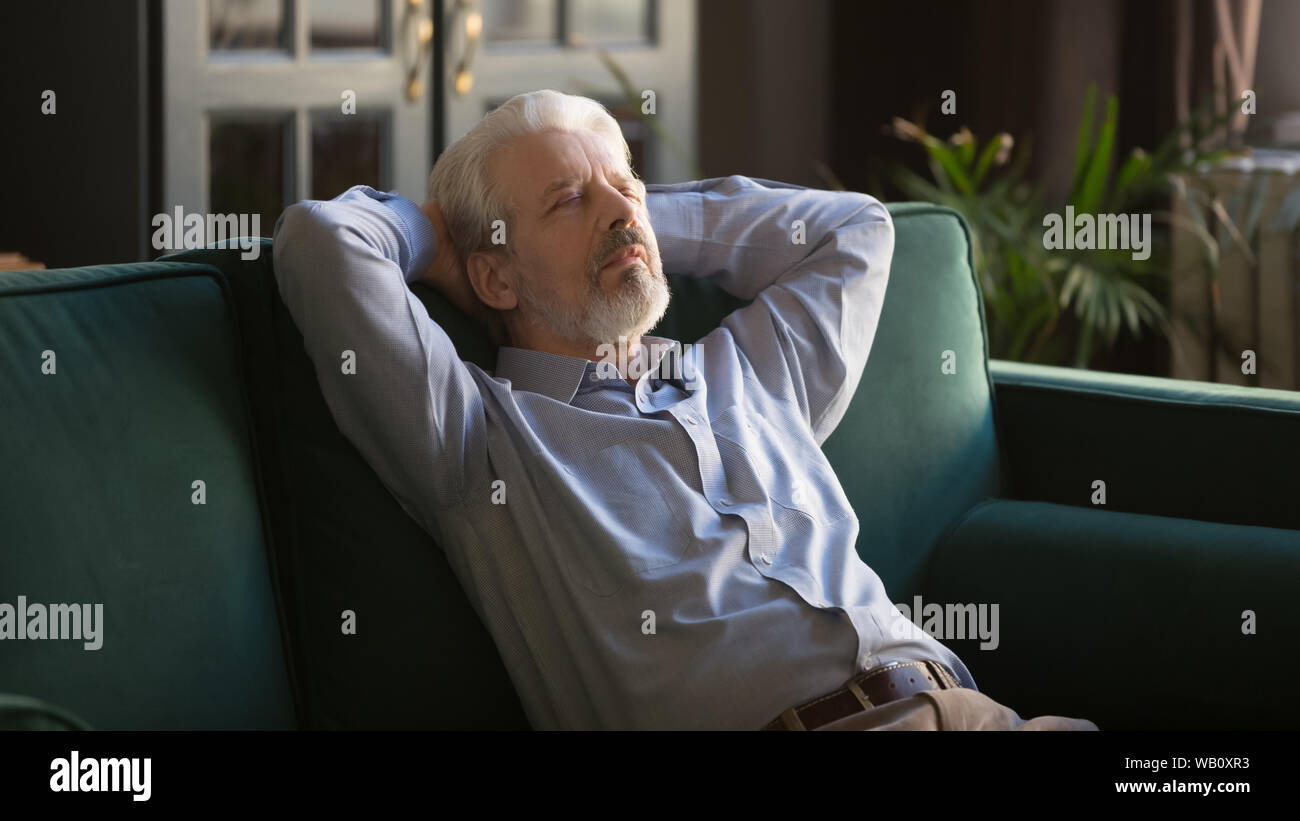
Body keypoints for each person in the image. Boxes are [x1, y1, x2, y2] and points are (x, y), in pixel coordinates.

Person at [272, 88, 1096, 731]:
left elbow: (852, 228)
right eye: (566, 201)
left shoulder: (748, 371)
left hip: (976, 709)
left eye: (626, 185)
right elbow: (321, 243)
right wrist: (441, 234)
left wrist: (623, 215)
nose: (622, 209)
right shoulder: (481, 442)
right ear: (494, 278)